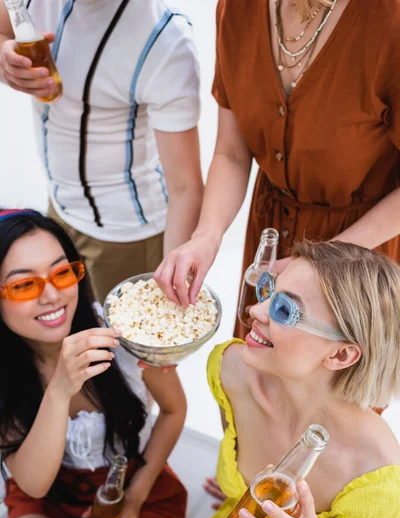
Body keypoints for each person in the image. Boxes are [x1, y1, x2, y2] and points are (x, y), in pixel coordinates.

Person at [116, 240, 400, 518]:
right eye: (269, 291)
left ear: (341, 353)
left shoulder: (378, 480)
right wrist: (243, 492)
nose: (254, 309)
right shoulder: (231, 369)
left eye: (283, 310)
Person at [154, 0, 400, 340]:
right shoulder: (235, 9)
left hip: (356, 256)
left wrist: (323, 259)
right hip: (269, 237)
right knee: (251, 374)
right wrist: (206, 236)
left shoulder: (390, 21)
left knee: (331, 386)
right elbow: (231, 152)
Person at [0, 209, 187, 518]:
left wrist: (134, 499)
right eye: (23, 286)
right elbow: (33, 485)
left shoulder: (124, 333)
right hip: (50, 502)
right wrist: (59, 389)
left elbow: (174, 410)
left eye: (62, 273)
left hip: (138, 489)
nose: (51, 294)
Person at [0, 0, 203, 303]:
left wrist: (172, 280)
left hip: (126, 236)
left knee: (122, 345)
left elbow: (185, 186)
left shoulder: (166, 40)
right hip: (59, 207)